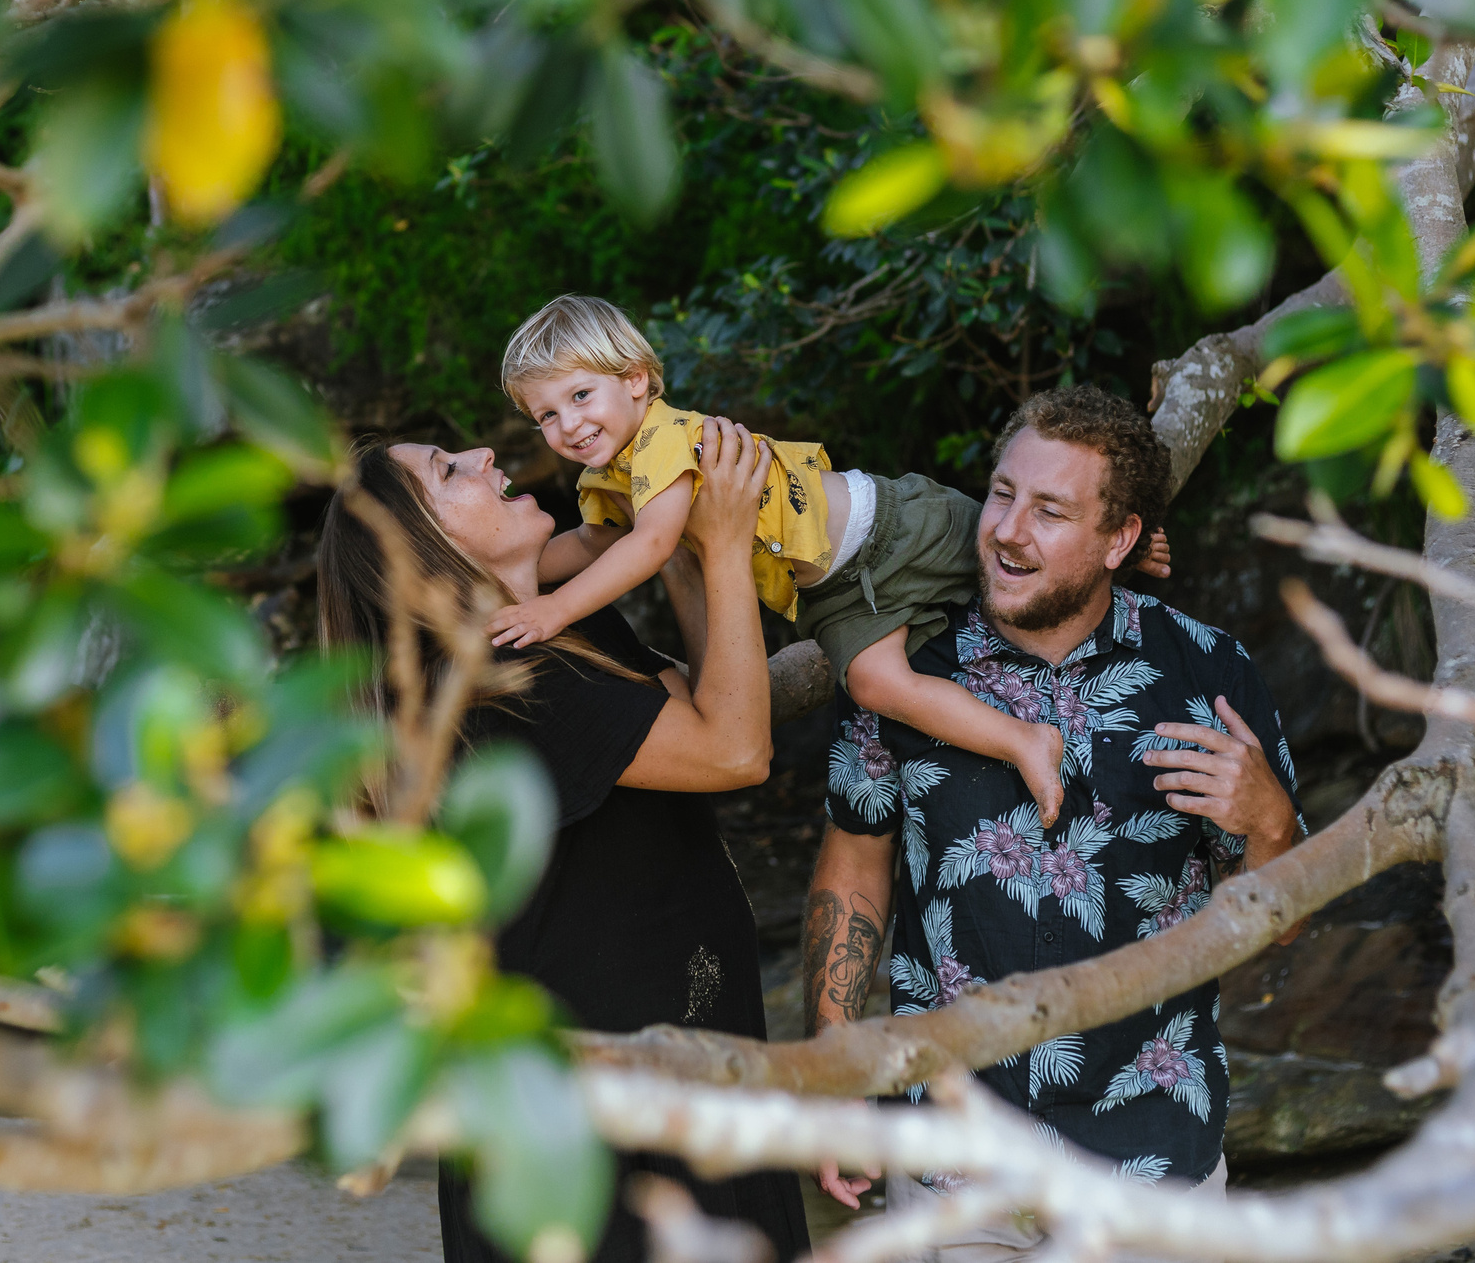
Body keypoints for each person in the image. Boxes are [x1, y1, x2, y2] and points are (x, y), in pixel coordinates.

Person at [802, 384, 1305, 1259]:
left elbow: (1279, 923)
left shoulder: (1207, 671)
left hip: (1151, 1164)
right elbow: (855, 862)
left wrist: (1268, 820)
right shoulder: (910, 667)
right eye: (1002, 493)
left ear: (1119, 539)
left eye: (1049, 510)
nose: (1007, 530)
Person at [315, 418, 810, 1263]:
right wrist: (726, 546)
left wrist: (688, 542)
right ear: (421, 545)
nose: (483, 457)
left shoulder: (551, 631)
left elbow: (706, 704)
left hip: (677, 1083)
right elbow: (735, 749)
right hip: (605, 1134)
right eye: (449, 470)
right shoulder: (505, 682)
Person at [489, 294, 1170, 825]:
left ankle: (1128, 547)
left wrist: (552, 609)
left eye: (580, 396)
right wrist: (490, 571)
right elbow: (590, 543)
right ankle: (1027, 740)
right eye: (545, 415)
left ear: (636, 379)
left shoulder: (663, 440)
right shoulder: (607, 477)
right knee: (876, 684)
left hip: (891, 528)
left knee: (1020, 546)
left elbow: (652, 543)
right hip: (840, 590)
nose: (567, 425)